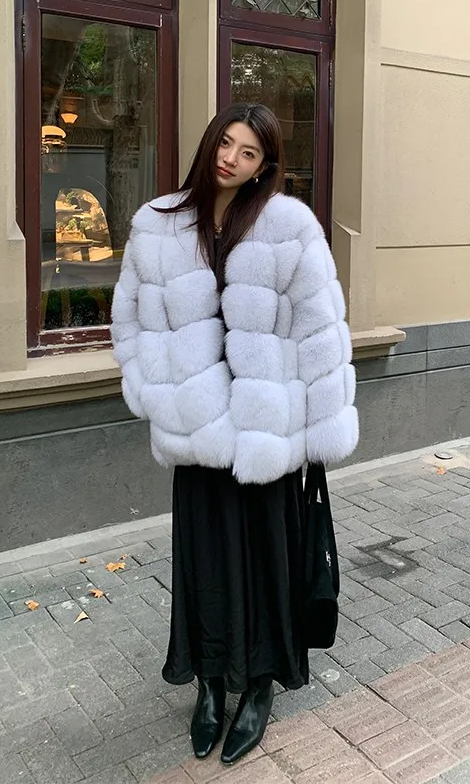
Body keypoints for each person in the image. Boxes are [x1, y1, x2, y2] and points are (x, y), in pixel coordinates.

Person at [110, 103, 358, 764]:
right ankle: (211, 685)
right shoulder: (158, 223)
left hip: (264, 434)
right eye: (226, 143)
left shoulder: (287, 225)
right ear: (210, 142)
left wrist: (319, 427)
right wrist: (149, 388)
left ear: (264, 165)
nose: (232, 159)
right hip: (196, 433)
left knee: (268, 564)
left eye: (249, 153)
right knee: (206, 567)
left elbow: (320, 328)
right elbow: (128, 317)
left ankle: (259, 687)